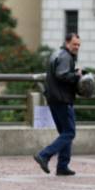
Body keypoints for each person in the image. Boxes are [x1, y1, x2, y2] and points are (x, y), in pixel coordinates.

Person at [33, 32, 82, 176]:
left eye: (78, 45)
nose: (77, 47)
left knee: (65, 133)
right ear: (67, 43)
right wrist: (76, 75)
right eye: (74, 44)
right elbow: (62, 75)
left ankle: (62, 166)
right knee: (69, 132)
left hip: (54, 99)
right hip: (63, 100)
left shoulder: (57, 54)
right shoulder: (65, 57)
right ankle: (44, 155)